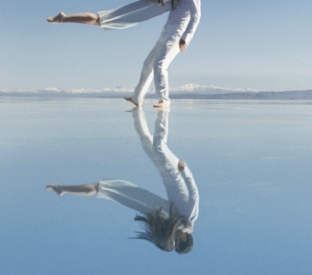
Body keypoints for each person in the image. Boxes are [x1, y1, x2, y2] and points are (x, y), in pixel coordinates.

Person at [47, 0, 202, 109]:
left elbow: (196, 17)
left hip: (176, 37)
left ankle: (165, 100)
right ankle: (137, 97)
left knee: (159, 65)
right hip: (165, 34)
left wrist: (185, 38)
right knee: (148, 64)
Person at [46, 109, 199, 254]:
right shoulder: (189, 217)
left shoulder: (174, 221)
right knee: (158, 146)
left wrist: (165, 241)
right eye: (177, 242)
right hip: (175, 171)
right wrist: (184, 171)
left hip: (165, 174)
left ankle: (136, 111)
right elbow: (193, 193)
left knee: (146, 143)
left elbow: (163, 228)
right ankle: (164, 109)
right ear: (185, 238)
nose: (174, 239)